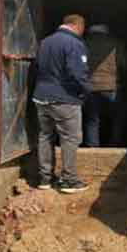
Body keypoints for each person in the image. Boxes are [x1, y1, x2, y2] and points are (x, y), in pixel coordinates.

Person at [32, 14, 92, 193]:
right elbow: (78, 73)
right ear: (77, 26)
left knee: (45, 136)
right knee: (70, 138)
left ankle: (45, 179)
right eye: (82, 28)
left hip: (41, 97)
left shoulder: (45, 42)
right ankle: (69, 180)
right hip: (64, 99)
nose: (82, 32)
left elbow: (38, 67)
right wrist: (86, 91)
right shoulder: (74, 44)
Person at [83, 24, 127, 147]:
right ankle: (116, 143)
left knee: (92, 119)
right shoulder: (116, 44)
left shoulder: (84, 44)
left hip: (91, 86)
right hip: (111, 86)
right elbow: (123, 64)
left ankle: (92, 145)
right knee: (116, 117)